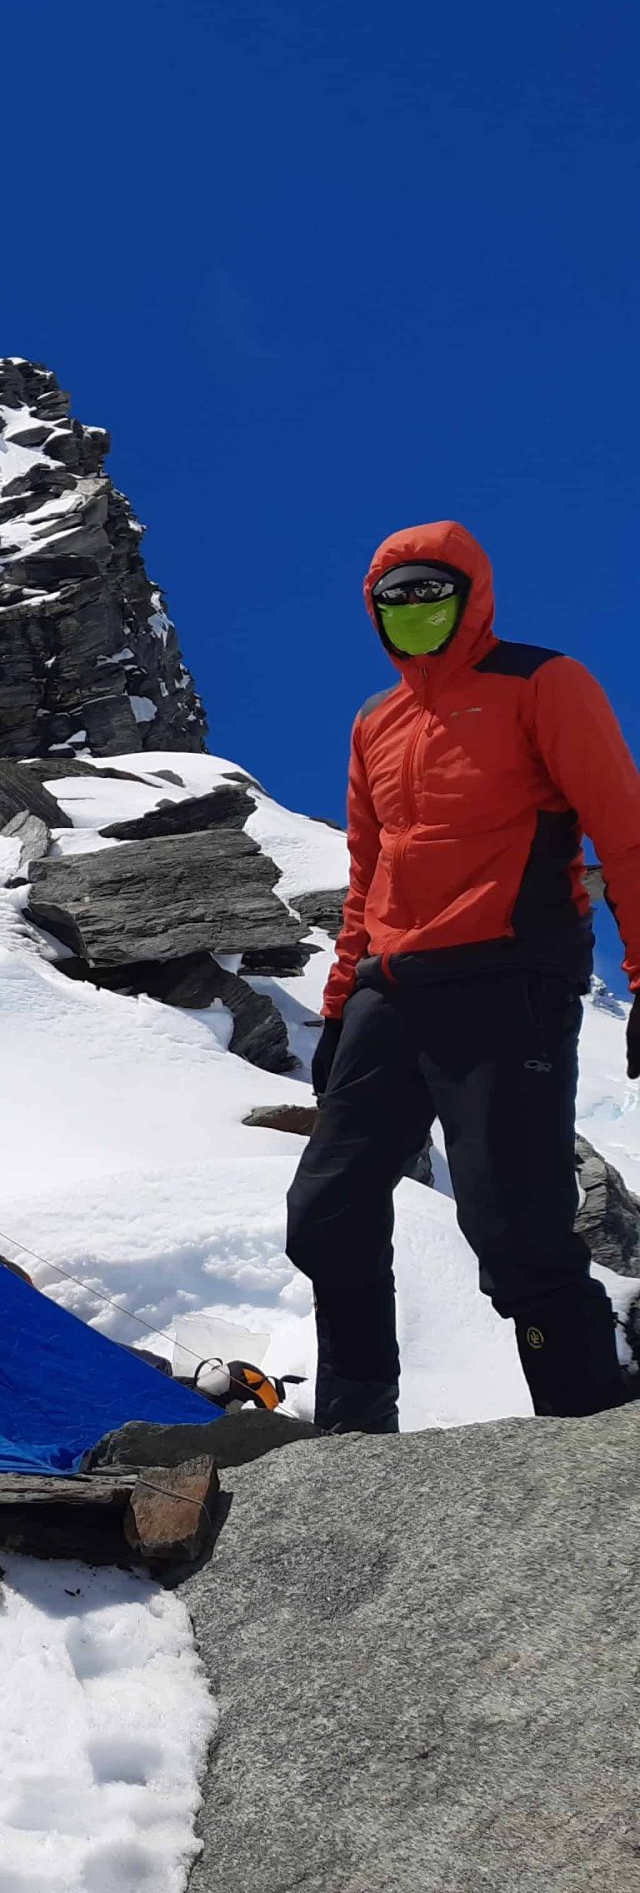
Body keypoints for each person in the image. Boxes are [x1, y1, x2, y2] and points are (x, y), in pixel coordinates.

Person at [286, 521, 639, 1433]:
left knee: (518, 1232)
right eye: (393, 597)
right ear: (373, 610)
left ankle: (590, 1424)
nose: (412, 610)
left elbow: (624, 829)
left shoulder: (541, 682)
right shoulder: (375, 720)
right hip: (391, 990)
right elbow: (371, 873)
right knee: (326, 1213)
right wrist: (338, 1010)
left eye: (429, 591)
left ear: (471, 593)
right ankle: (355, 1432)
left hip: (508, 979)